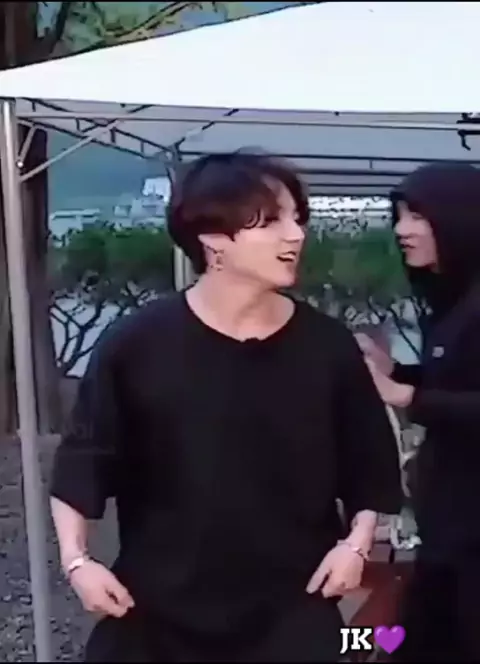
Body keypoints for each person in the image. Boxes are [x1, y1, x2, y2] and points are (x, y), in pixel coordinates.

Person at [50, 151, 402, 663]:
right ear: (213, 239)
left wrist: (356, 545)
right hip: (156, 611)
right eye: (271, 221)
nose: (295, 235)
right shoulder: (136, 344)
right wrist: (77, 561)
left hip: (294, 609)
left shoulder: (328, 348)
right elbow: (84, 457)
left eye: (298, 219)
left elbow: (369, 463)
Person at [355, 161, 480, 662]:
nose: (402, 230)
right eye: (400, 216)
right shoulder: (453, 300)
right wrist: (399, 372)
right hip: (450, 524)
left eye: (418, 216)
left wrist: (407, 396)